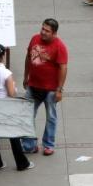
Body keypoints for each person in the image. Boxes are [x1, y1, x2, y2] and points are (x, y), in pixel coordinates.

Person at [22, 18, 68, 155]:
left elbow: (63, 68)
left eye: (47, 31)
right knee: (26, 115)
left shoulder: (60, 46)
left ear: (54, 33)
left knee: (51, 118)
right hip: (33, 86)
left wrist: (59, 89)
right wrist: (26, 76)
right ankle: (29, 145)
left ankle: (48, 145)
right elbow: (28, 57)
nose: (43, 32)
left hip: (50, 90)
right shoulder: (34, 39)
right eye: (42, 28)